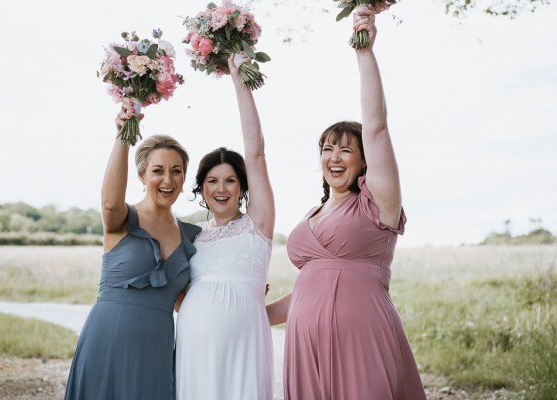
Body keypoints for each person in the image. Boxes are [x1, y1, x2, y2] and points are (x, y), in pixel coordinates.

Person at [266, 6, 427, 399]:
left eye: (345, 150)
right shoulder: (314, 213)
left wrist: (364, 51)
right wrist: (254, 313)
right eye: (327, 149)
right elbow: (311, 288)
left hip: (362, 335)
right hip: (306, 345)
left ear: (365, 161)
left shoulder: (377, 206)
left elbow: (377, 127)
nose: (334, 158)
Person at [64, 100, 201, 400]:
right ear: (141, 176)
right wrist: (123, 137)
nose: (168, 180)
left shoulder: (192, 237)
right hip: (107, 341)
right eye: (158, 171)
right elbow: (110, 203)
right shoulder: (122, 219)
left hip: (157, 350)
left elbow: (187, 302)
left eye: (176, 171)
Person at [175, 54, 275, 400]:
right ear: (201, 187)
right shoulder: (190, 236)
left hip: (245, 343)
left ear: (243, 188)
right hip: (193, 346)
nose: (221, 189)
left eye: (231, 180)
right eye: (213, 181)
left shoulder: (257, 225)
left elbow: (256, 153)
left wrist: (239, 81)